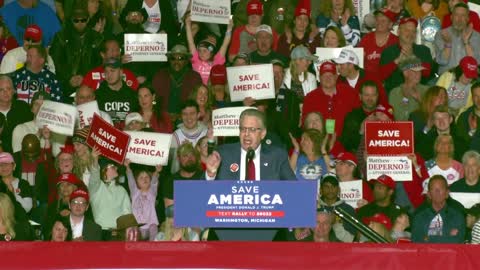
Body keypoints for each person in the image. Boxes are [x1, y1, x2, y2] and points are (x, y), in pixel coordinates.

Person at [206, 109, 296, 180]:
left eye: (252, 129)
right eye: (243, 129)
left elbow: (294, 189)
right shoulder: (223, 153)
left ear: (263, 134)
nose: (246, 134)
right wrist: (210, 174)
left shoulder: (277, 156)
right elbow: (201, 192)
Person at [50, 7, 104, 98]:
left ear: (88, 20)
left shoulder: (97, 38)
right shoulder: (61, 36)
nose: (80, 23)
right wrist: (69, 77)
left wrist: (85, 77)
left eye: (83, 20)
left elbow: (99, 62)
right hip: (64, 84)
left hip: (90, 84)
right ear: (71, 20)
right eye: (76, 20)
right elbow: (55, 60)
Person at [380, 17, 436, 92]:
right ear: (398, 32)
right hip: (394, 94)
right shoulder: (388, 51)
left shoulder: (424, 50)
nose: (410, 34)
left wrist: (411, 56)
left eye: (413, 31)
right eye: (407, 30)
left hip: (419, 94)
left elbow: (427, 73)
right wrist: (396, 62)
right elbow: (382, 76)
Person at [302, 61, 357, 136]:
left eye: (331, 75)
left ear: (336, 77)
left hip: (345, 141)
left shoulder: (349, 92)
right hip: (319, 140)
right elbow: (305, 123)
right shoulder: (310, 98)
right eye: (324, 76)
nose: (328, 78)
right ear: (319, 78)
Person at [152, 44, 202, 122]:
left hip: (187, 120)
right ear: (169, 60)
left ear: (186, 61)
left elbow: (198, 103)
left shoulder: (194, 77)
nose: (176, 61)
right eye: (173, 58)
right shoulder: (160, 75)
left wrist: (181, 116)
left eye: (180, 58)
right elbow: (153, 100)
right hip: (162, 119)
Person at [89, 152, 132, 241]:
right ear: (104, 170)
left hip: (116, 234)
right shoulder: (96, 187)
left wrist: (126, 232)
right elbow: (94, 175)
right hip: (99, 233)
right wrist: (95, 160)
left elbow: (127, 213)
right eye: (112, 166)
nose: (116, 168)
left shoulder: (121, 190)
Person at [411, 174, 465, 243]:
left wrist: (428, 237)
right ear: (429, 194)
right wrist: (447, 235)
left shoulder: (457, 216)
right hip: (427, 253)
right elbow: (417, 243)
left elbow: (458, 242)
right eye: (433, 189)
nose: (437, 192)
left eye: (441, 188)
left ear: (447, 193)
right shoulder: (419, 217)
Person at [12, 92, 66, 156]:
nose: (40, 108)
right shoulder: (20, 129)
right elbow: (18, 158)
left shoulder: (59, 131)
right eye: (37, 104)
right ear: (32, 108)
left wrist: (50, 138)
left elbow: (59, 156)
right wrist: (38, 135)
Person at [185, 13, 232, 85]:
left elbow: (225, 44)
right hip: (199, 90)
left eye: (204, 51)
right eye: (199, 50)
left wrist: (229, 28)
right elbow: (190, 42)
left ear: (211, 52)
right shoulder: (196, 59)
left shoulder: (217, 61)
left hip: (212, 90)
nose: (201, 53)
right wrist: (188, 24)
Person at [434, 3, 480, 75]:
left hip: (468, 79)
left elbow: (475, 63)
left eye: (463, 15)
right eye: (456, 15)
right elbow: (442, 61)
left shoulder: (477, 36)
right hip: (445, 79)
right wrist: (448, 44)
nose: (459, 19)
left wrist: (466, 42)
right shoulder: (441, 34)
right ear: (451, 17)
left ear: (468, 18)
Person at [95, 58, 139, 129]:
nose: (109, 75)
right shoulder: (97, 95)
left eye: (112, 71)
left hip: (128, 135)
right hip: (106, 136)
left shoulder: (132, 95)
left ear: (121, 72)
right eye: (106, 71)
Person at [340, 81, 381, 154]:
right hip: (358, 160)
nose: (370, 99)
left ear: (377, 96)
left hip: (381, 159)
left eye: (373, 95)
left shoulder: (385, 115)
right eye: (366, 95)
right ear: (360, 96)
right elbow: (346, 145)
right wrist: (361, 131)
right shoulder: (352, 117)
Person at [125, 160, 162, 241]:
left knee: (154, 227)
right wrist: (127, 167)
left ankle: (152, 249)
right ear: (137, 182)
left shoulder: (152, 193)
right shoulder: (135, 192)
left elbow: (154, 183)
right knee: (130, 230)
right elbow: (130, 180)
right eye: (141, 178)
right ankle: (132, 250)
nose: (144, 179)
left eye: (147, 177)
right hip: (137, 227)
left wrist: (156, 171)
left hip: (150, 226)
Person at [358, 8, 399, 78]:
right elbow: (358, 61)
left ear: (390, 24)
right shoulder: (366, 38)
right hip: (368, 80)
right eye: (377, 20)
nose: (379, 23)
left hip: (389, 81)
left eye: (383, 21)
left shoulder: (396, 41)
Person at [170, 100, 208, 174]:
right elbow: (174, 165)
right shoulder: (175, 136)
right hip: (182, 180)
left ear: (198, 115)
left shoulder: (207, 133)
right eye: (185, 114)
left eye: (192, 113)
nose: (188, 117)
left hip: (204, 179)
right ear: (181, 116)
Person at [163, 142, 205, 208]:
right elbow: (170, 212)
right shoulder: (171, 182)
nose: (190, 158)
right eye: (185, 156)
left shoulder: (205, 176)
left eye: (192, 155)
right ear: (178, 159)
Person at [317, 173, 356, 242]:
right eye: (326, 186)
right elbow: (303, 235)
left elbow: (351, 240)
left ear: (339, 190)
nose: (330, 189)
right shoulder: (312, 208)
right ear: (320, 190)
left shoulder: (348, 210)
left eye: (333, 186)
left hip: (340, 249)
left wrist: (335, 223)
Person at [0, 75, 34, 153]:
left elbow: (33, 130)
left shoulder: (23, 107)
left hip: (24, 154)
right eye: (1, 89)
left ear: (13, 90)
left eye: (8, 89)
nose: (5, 92)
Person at [388, 56, 429, 121]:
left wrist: (420, 100)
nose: (418, 74)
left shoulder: (427, 90)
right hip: (402, 129)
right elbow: (399, 118)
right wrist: (405, 98)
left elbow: (432, 115)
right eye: (415, 71)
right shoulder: (395, 92)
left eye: (420, 71)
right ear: (405, 73)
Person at [456, 82, 480, 151]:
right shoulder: (464, 117)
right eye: (476, 96)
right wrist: (471, 132)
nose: (479, 100)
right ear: (472, 98)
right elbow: (460, 145)